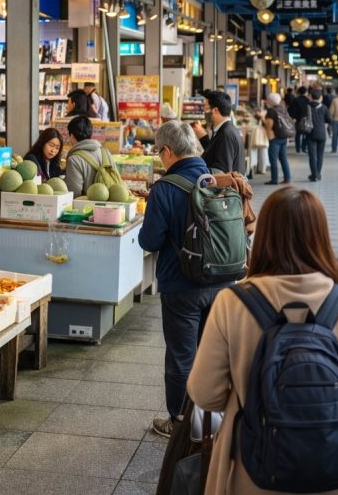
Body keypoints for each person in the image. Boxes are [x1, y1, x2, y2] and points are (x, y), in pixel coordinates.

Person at [187, 187, 338, 495]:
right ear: (321, 236)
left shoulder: (233, 302)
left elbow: (204, 392)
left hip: (251, 470)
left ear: (265, 234)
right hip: (334, 470)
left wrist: (255, 397)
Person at [139, 120, 238, 438]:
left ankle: (181, 422)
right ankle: (216, 418)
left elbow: (150, 241)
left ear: (167, 151)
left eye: (159, 153)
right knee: (214, 352)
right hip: (224, 281)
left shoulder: (165, 189)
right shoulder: (219, 179)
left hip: (181, 286)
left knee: (182, 355)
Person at [191, 89, 246, 175]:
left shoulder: (225, 134)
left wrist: (195, 171)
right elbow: (217, 154)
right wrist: (204, 138)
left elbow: (222, 170)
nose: (204, 113)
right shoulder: (225, 129)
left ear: (215, 110)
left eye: (205, 109)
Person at [62, 115, 103, 197]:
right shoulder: (103, 151)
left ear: (72, 136)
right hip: (107, 205)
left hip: (86, 207)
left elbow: (74, 193)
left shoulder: (74, 159)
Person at [263, 93, 291, 185]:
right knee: (283, 158)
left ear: (271, 101)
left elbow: (268, 125)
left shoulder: (271, 111)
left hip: (275, 138)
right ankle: (287, 178)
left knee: (273, 159)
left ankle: (274, 179)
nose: (267, 101)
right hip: (284, 136)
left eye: (268, 99)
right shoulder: (283, 109)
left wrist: (269, 135)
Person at [306, 88, 330, 181]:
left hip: (310, 133)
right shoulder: (324, 107)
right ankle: (318, 174)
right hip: (321, 134)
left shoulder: (307, 106)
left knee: (312, 155)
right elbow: (329, 119)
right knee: (320, 155)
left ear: (311, 97)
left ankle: (314, 175)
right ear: (321, 97)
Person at [291, 86, 309, 154]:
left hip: (298, 119)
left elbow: (293, 110)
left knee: (298, 134)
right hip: (305, 119)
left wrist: (293, 117)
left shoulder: (296, 100)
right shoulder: (307, 100)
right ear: (305, 92)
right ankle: (304, 148)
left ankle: (298, 148)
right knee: (305, 134)